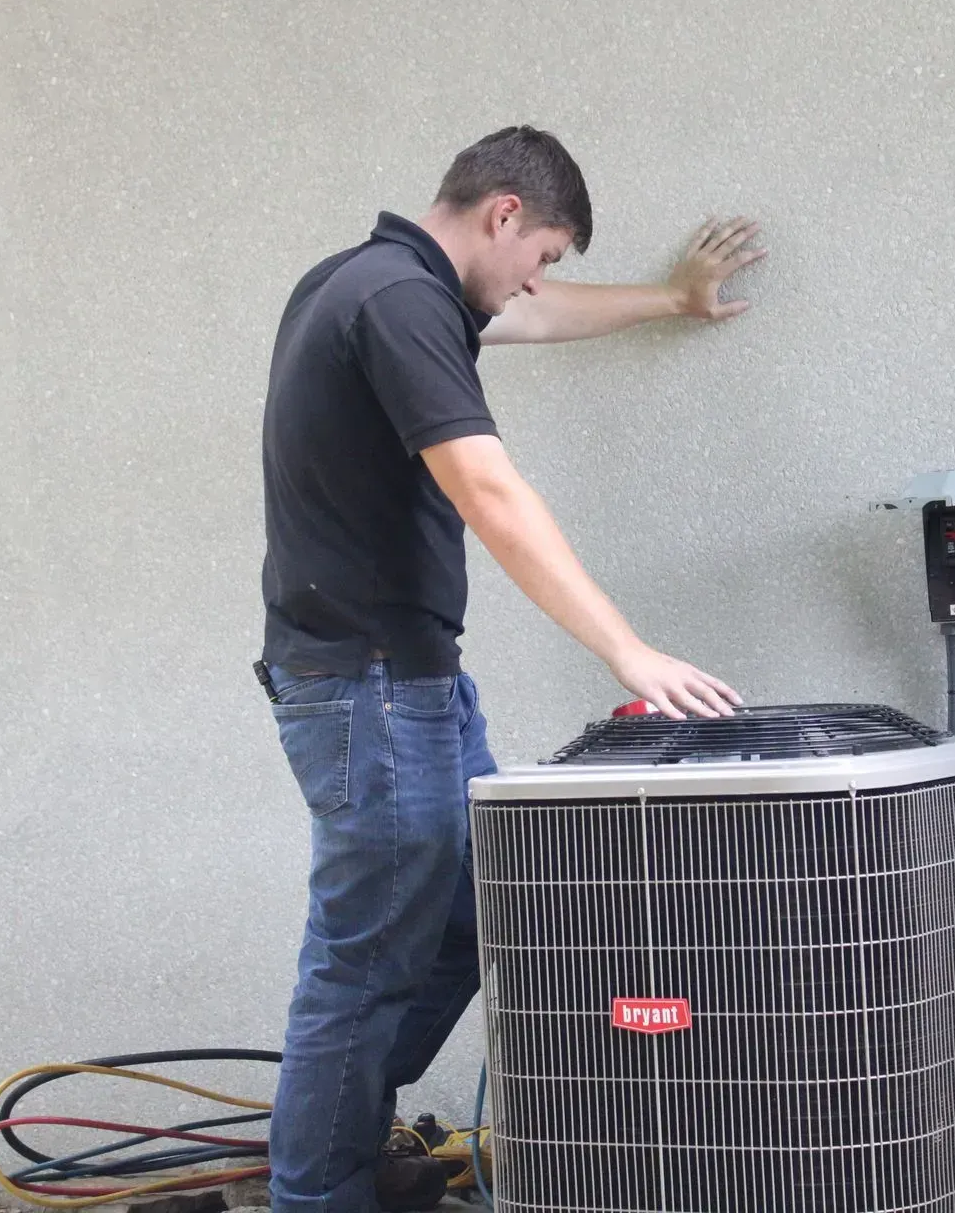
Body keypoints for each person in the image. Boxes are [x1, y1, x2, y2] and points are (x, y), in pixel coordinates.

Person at [254, 125, 765, 1213]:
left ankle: (341, 1141)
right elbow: (489, 491)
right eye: (545, 249)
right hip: (370, 687)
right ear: (501, 214)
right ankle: (316, 1189)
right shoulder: (395, 302)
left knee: (476, 918)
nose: (541, 277)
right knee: (362, 962)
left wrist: (673, 299)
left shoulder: (373, 285)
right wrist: (627, 646)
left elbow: (526, 313)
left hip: (410, 681)